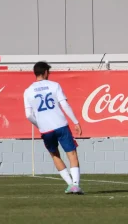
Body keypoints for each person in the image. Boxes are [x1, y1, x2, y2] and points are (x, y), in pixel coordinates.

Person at [23, 61, 84, 194]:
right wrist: (75, 121)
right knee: (72, 153)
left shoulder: (28, 91)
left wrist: (40, 125)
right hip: (60, 125)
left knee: (55, 155)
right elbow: (65, 105)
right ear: (45, 72)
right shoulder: (54, 85)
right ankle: (75, 185)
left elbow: (28, 115)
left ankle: (70, 185)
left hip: (46, 130)